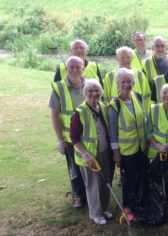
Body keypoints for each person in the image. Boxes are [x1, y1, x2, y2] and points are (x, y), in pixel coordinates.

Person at [70, 79, 113, 225]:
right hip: (88, 156)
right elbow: (74, 137)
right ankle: (95, 213)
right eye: (90, 91)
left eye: (96, 90)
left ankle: (104, 208)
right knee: (93, 185)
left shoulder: (103, 106)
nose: (94, 93)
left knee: (105, 181)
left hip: (103, 152)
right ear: (84, 93)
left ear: (101, 92)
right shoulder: (80, 112)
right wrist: (85, 153)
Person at [107, 68, 148, 209]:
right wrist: (116, 154)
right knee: (128, 180)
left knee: (140, 177)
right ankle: (127, 206)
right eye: (123, 82)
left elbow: (143, 121)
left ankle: (139, 201)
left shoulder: (137, 97)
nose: (126, 85)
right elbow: (112, 132)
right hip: (126, 151)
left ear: (134, 83)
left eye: (129, 81)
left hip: (141, 148)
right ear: (117, 84)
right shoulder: (114, 105)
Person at [50, 56, 87, 208]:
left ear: (83, 68)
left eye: (78, 67)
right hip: (71, 139)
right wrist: (60, 140)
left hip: (90, 137)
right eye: (71, 67)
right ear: (66, 68)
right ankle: (78, 196)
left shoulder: (90, 84)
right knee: (75, 169)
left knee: (90, 167)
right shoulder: (58, 88)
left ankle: (91, 194)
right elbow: (54, 115)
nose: (74, 70)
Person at [103, 46, 153, 114]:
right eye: (122, 58)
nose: (125, 60)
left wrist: (146, 114)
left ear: (132, 58)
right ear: (117, 59)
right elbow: (106, 99)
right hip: (117, 114)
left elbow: (147, 97)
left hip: (138, 114)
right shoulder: (109, 76)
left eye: (128, 57)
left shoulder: (140, 75)